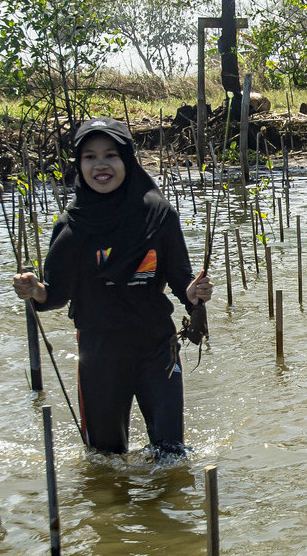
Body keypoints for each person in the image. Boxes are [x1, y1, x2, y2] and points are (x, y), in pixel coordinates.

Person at [11, 117, 212, 458]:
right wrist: (33, 290)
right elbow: (55, 295)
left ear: (127, 160)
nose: (100, 165)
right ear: (78, 165)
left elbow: (181, 280)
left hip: (157, 350)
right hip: (100, 354)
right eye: (89, 157)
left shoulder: (159, 214)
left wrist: (193, 294)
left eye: (111, 155)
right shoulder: (71, 228)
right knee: (105, 461)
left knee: (171, 456)